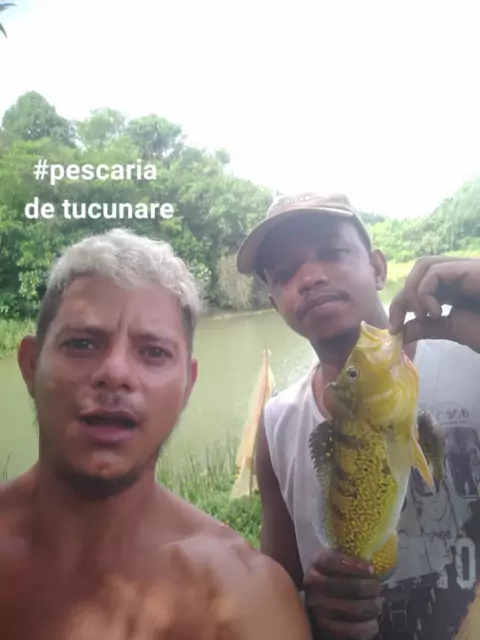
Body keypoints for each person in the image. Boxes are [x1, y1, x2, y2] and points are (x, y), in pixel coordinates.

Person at [0, 228, 311, 639]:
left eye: (153, 352)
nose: (115, 373)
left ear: (187, 386)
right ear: (30, 365)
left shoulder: (242, 597)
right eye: (82, 344)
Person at [236, 191, 480, 640]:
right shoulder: (276, 426)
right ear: (274, 304)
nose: (310, 278)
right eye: (285, 273)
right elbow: (278, 584)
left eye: (332, 252)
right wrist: (310, 610)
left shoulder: (473, 356)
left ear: (378, 268)